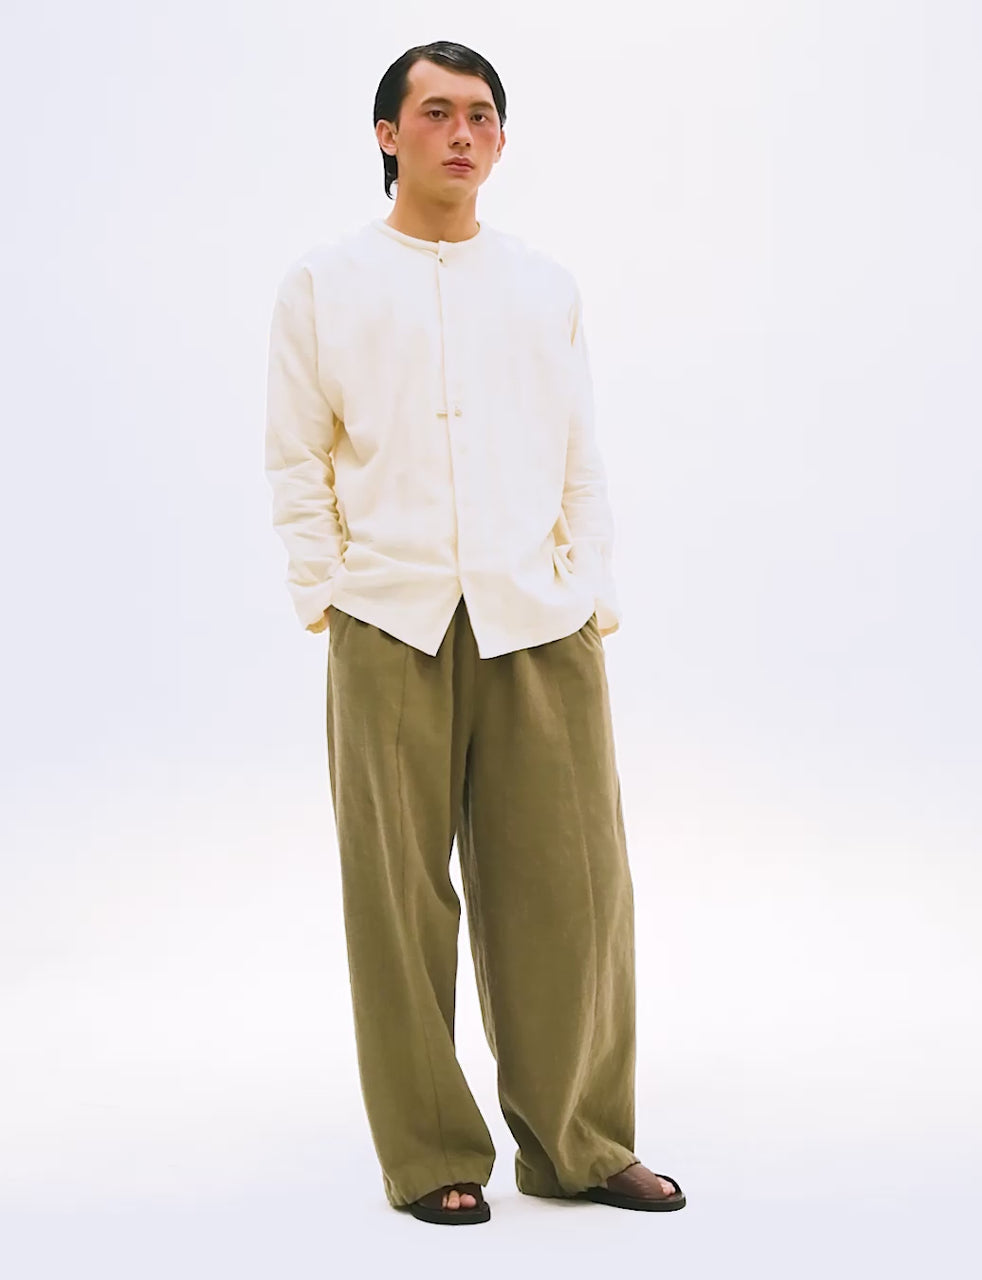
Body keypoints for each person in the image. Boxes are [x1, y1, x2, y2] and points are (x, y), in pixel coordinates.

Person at [264, 40, 685, 1226]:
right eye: (437, 112)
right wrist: (329, 589)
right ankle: (429, 1152)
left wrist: (588, 589)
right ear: (387, 134)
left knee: (572, 892)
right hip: (389, 618)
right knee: (396, 901)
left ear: (500, 140)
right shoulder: (324, 283)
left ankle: (579, 1142)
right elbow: (295, 456)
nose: (463, 133)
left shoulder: (543, 286)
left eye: (483, 115)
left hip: (537, 620)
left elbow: (580, 454)